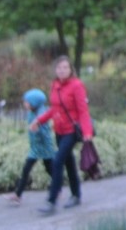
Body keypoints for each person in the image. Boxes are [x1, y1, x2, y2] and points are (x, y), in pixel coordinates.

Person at [30, 56, 94, 215]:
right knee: (69, 162)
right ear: (55, 70)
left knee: (57, 161)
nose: (62, 70)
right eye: (59, 68)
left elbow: (83, 111)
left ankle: (51, 201)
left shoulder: (77, 85)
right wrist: (39, 120)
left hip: (72, 131)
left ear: (71, 69)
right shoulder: (55, 85)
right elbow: (54, 109)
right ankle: (76, 195)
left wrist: (87, 132)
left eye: (65, 68)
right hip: (59, 130)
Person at [8, 89, 55, 204]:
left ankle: (56, 187)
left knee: (50, 169)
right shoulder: (31, 113)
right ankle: (18, 195)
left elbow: (45, 133)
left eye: (26, 102)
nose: (24, 104)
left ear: (34, 103)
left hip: (45, 147)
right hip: (34, 148)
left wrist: (37, 130)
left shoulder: (41, 113)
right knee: (26, 170)